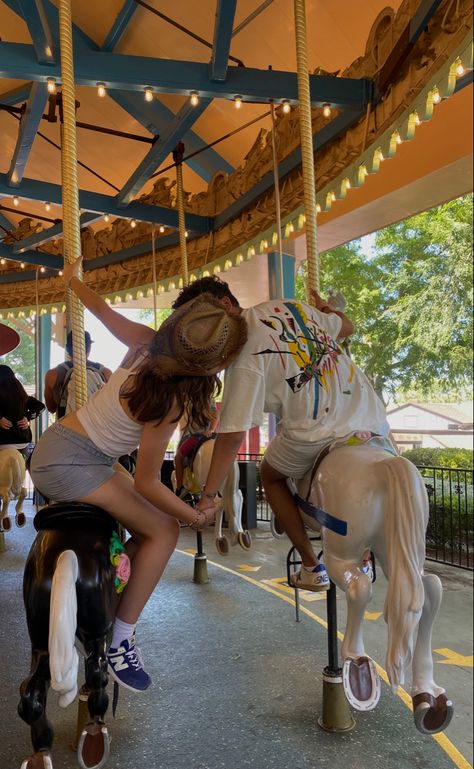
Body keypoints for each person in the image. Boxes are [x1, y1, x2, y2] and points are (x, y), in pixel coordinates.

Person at [29, 257, 248, 693]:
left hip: (67, 448)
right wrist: (193, 517)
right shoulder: (169, 402)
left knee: (148, 518)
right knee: (164, 531)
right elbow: (148, 480)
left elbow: (104, 313)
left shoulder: (148, 342)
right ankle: (121, 639)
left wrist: (74, 283)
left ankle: (112, 571)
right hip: (74, 463)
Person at [171, 276, 392, 592]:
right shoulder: (294, 308)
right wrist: (326, 310)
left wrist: (208, 497)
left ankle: (311, 565)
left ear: (224, 305)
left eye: (203, 322)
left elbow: (232, 436)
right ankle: (366, 549)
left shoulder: (243, 353)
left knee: (270, 474)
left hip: (318, 430)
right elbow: (348, 327)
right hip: (371, 416)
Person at [44, 331, 112, 419]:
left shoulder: (53, 375)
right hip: (98, 427)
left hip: (67, 426)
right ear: (89, 348)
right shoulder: (106, 373)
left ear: (67, 349)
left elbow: (51, 408)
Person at [174, 399, 219, 497]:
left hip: (195, 436)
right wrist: (211, 430)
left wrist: (210, 430)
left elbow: (215, 414)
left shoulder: (189, 399)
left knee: (178, 458)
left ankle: (179, 488)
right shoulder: (209, 398)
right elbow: (215, 415)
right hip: (209, 435)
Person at [0, 365, 45, 457]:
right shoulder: (22, 396)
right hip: (24, 442)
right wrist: (27, 417)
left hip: (3, 442)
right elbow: (41, 406)